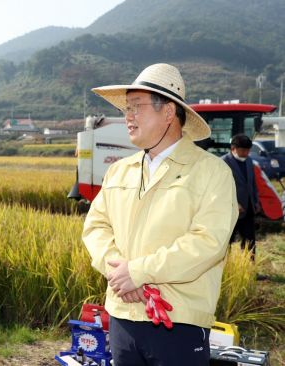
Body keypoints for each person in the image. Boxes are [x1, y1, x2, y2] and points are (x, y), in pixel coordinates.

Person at [82, 63, 238, 365]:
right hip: (122, 317)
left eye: (137, 107)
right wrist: (119, 275)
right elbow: (95, 227)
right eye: (127, 108)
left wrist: (138, 272)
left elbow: (207, 242)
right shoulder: (119, 171)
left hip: (176, 320)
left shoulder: (211, 172)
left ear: (168, 113)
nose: (128, 116)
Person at [222, 134, 260, 259]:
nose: (246, 153)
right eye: (243, 150)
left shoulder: (249, 161)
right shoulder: (222, 163)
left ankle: (250, 270)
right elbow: (221, 188)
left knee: (250, 241)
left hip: (248, 208)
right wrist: (234, 203)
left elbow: (252, 183)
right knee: (226, 242)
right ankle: (225, 270)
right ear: (233, 148)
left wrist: (255, 201)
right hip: (230, 211)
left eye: (248, 150)